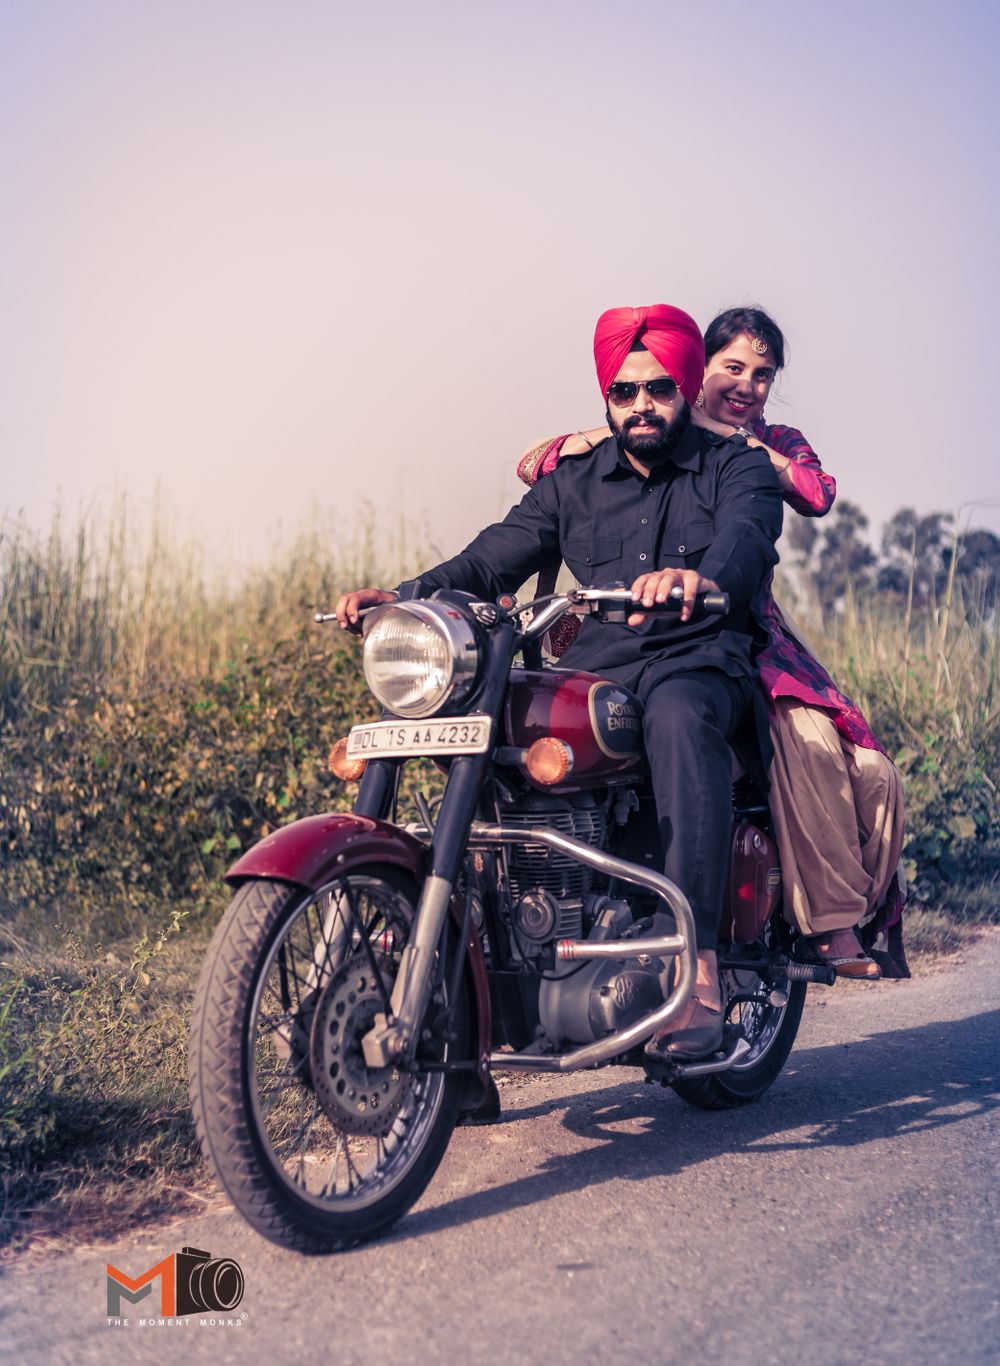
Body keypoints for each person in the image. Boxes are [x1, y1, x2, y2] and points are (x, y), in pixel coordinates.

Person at [336, 303, 784, 1058]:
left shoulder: (734, 465)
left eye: (658, 390)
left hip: (699, 658)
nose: (642, 406)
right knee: (501, 712)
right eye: (624, 392)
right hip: (601, 665)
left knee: (678, 717)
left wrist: (699, 579)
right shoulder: (572, 483)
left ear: (682, 387)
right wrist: (407, 592)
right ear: (607, 398)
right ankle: (470, 1000)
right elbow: (492, 556)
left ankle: (699, 971)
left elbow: (746, 538)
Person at [517, 306, 907, 979]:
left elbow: (815, 492)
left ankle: (830, 921)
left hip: (745, 634)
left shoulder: (757, 448)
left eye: (763, 374)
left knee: (830, 755)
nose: (747, 385)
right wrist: (617, 423)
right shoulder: (662, 421)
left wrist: (742, 442)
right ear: (700, 370)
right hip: (630, 637)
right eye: (732, 367)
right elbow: (537, 464)